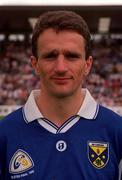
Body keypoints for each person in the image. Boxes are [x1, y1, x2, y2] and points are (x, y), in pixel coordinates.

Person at [0, 10, 122, 180]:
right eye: (50, 56)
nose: (61, 67)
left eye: (71, 56)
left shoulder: (117, 130)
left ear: (87, 65)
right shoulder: (4, 134)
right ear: (35, 64)